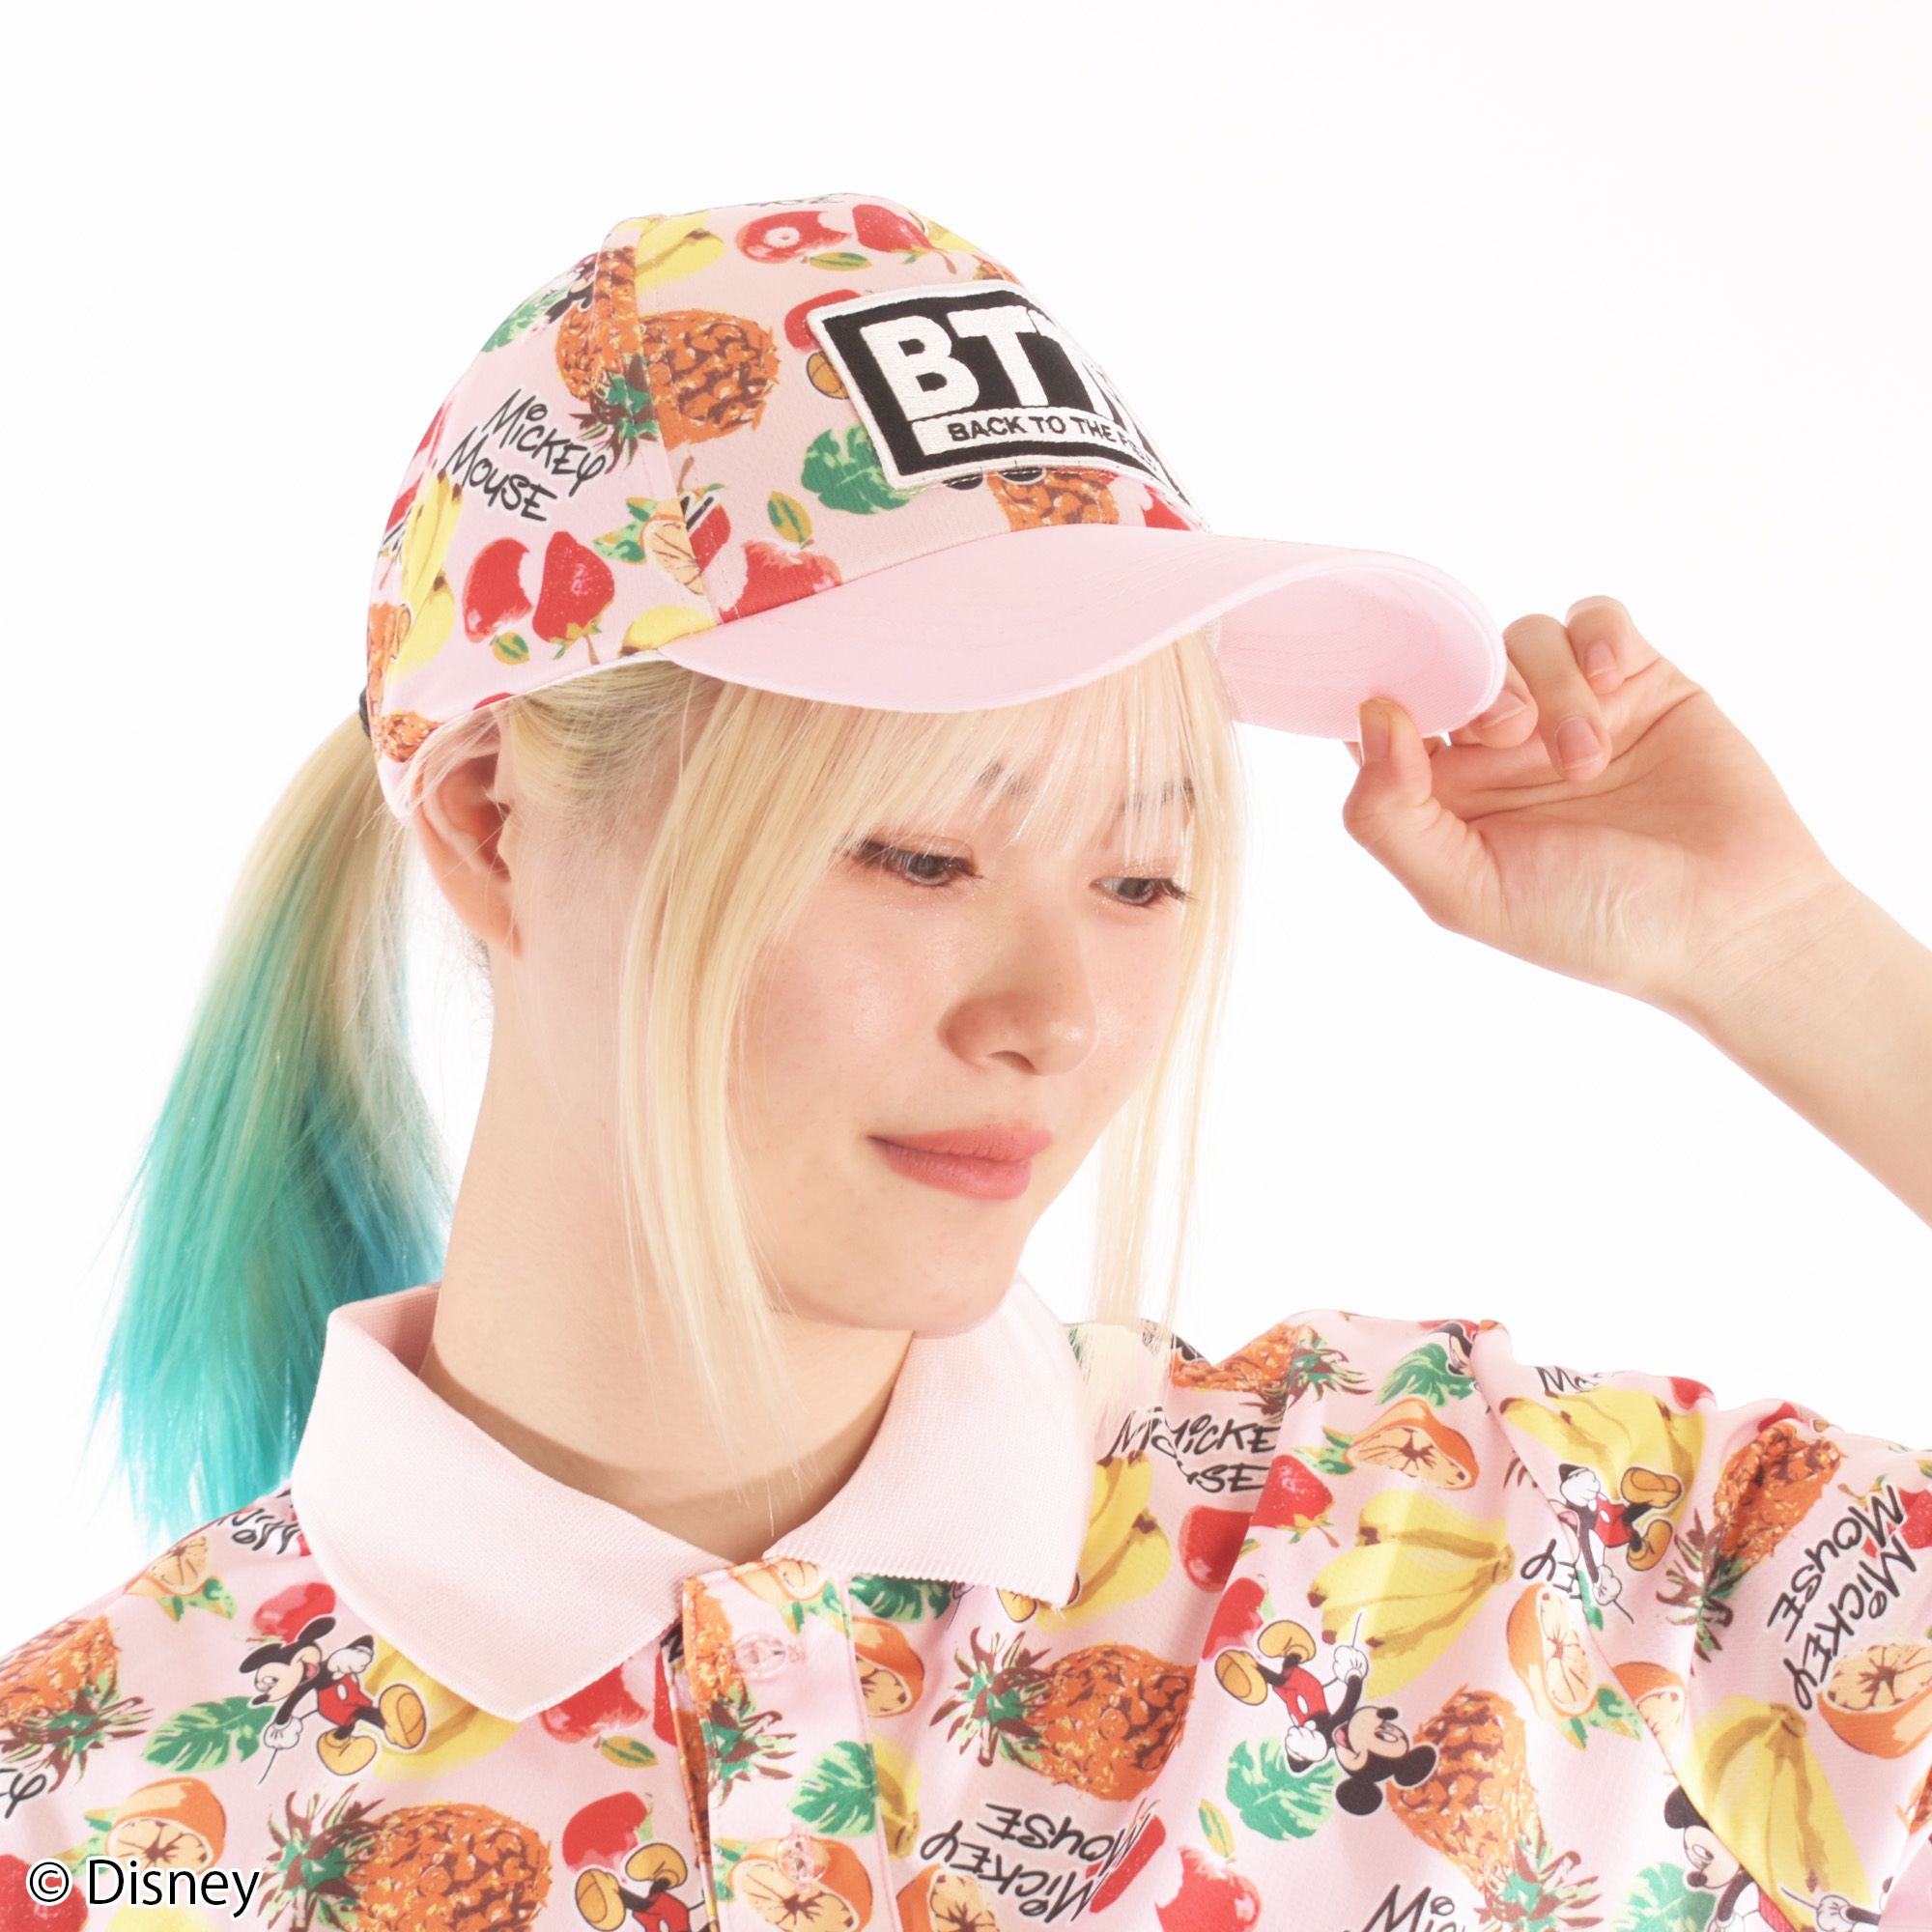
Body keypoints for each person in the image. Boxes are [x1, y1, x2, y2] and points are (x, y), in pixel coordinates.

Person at [2, 190, 1927, 1932]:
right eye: (920, 858)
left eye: (1143, 878)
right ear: (496, 821)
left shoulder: (1482, 1551)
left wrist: (1786, 958)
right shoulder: (89, 1820)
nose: (1057, 1016)